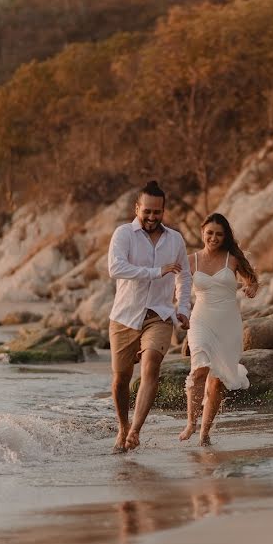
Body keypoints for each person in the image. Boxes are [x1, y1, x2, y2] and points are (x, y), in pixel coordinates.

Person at [107, 181, 191, 452]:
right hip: (124, 315)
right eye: (147, 211)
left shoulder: (175, 239)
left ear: (164, 210)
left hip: (160, 314)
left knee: (152, 364)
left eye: (157, 212)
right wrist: (156, 271)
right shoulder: (123, 234)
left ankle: (134, 431)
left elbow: (184, 276)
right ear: (137, 208)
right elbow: (116, 268)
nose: (152, 217)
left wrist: (183, 308)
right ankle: (122, 426)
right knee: (121, 379)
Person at [179, 213, 259, 446]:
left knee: (217, 380)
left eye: (219, 234)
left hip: (228, 323)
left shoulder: (232, 259)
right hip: (201, 320)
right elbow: (178, 286)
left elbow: (251, 280)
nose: (213, 238)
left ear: (225, 237)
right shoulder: (190, 260)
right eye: (210, 232)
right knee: (199, 369)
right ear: (202, 231)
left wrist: (251, 287)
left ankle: (205, 433)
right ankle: (190, 423)